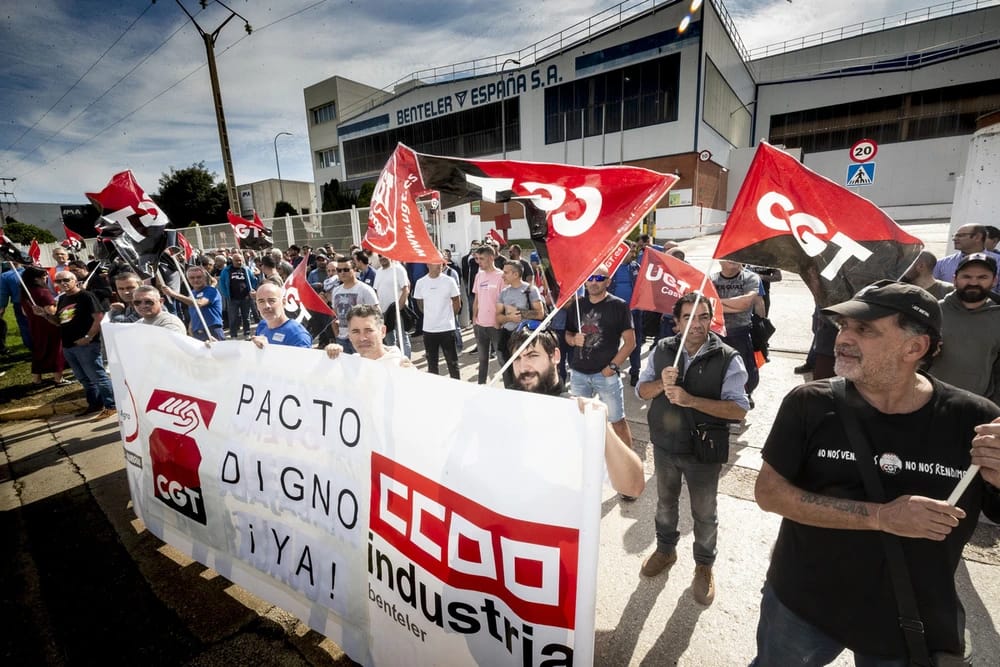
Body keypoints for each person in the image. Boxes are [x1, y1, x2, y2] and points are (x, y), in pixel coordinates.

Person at [751, 280, 1000, 665]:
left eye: (864, 329)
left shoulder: (975, 419)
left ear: (914, 347)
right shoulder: (809, 404)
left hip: (909, 616)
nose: (843, 339)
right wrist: (883, 517)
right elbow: (769, 494)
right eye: (842, 327)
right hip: (803, 603)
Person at [635, 293, 749, 605]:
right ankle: (665, 550)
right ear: (676, 323)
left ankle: (704, 565)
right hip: (665, 446)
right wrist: (661, 383)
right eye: (688, 318)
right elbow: (642, 391)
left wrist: (691, 401)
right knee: (665, 504)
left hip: (704, 451)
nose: (696, 325)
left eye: (702, 317)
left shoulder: (728, 357)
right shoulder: (662, 350)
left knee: (704, 513)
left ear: (711, 319)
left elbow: (739, 409)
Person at [507, 325, 644, 497]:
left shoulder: (578, 415)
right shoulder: (506, 408)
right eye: (516, 358)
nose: (523, 367)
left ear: (555, 356)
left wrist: (604, 430)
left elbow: (632, 486)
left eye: (532, 355)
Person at [565, 266, 637, 459]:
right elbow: (568, 334)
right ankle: (585, 461)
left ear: (608, 281)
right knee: (581, 421)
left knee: (617, 421)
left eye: (599, 277)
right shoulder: (577, 305)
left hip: (605, 375)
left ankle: (628, 464)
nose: (594, 282)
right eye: (590, 277)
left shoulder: (619, 306)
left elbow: (630, 343)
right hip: (579, 374)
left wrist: (612, 367)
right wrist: (573, 340)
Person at [36, 271, 115, 419]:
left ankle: (112, 405)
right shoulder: (63, 298)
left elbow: (98, 317)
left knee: (97, 376)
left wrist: (88, 336)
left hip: (86, 344)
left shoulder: (86, 296)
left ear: (75, 280)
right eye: (58, 281)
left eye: (66, 280)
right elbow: (59, 322)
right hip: (68, 344)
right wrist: (44, 315)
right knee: (83, 378)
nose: (62, 283)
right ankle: (95, 404)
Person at [930, 254, 1000, 404]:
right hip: (929, 400)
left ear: (994, 281)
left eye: (982, 277)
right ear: (955, 279)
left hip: (976, 405)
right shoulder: (933, 311)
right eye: (966, 276)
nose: (973, 282)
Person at [712, 260, 761, 400]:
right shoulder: (711, 279)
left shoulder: (751, 278)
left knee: (745, 368)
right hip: (717, 332)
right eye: (728, 257)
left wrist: (717, 302)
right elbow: (708, 305)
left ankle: (744, 396)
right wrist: (735, 305)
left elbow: (745, 303)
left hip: (740, 332)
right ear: (720, 260)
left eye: (736, 257)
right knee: (718, 368)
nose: (733, 260)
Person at [495, 261, 544, 388]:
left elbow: (540, 314)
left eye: (506, 272)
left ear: (516, 274)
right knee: (509, 372)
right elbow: (498, 318)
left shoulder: (531, 290)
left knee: (526, 372)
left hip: (525, 338)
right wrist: (508, 317)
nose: (502, 275)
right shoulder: (504, 293)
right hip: (507, 337)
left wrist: (519, 313)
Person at [413, 261, 462, 379]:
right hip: (429, 330)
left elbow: (457, 301)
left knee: (452, 362)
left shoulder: (449, 281)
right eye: (436, 263)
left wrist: (449, 316)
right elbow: (419, 303)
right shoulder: (421, 282)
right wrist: (430, 315)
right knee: (432, 364)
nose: (440, 265)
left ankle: (458, 388)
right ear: (428, 265)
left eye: (441, 263)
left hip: (447, 328)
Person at [323, 304, 413, 367]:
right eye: (355, 331)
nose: (362, 338)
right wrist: (332, 359)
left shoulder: (400, 365)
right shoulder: (351, 364)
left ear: (382, 331)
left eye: (369, 331)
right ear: (349, 335)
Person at [19, 266, 67, 385]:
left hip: (34, 324)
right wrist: (56, 303)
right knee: (56, 350)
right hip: (49, 324)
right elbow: (51, 311)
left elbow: (24, 312)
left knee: (38, 350)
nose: (46, 278)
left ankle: (36, 379)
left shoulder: (25, 292)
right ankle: (58, 378)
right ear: (35, 279)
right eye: (43, 276)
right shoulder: (43, 292)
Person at [329, 255, 379, 354]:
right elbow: (334, 314)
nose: (342, 273)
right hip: (342, 339)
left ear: (354, 269)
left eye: (346, 269)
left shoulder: (365, 289)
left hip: (361, 340)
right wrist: (336, 334)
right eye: (339, 270)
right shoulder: (336, 291)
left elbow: (377, 314)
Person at [471, 245, 505, 383]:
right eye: (477, 259)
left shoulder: (501, 276)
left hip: (496, 326)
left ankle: (509, 388)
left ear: (492, 258)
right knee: (482, 359)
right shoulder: (479, 275)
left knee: (502, 359)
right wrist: (474, 318)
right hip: (480, 325)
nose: (479, 262)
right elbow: (477, 299)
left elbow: (504, 302)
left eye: (482, 259)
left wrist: (499, 321)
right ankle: (481, 386)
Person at [162, 266, 225, 341]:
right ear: (188, 280)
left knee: (217, 352)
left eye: (199, 277)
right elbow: (194, 310)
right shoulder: (192, 293)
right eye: (192, 278)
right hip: (197, 331)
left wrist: (174, 294)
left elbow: (199, 303)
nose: (196, 280)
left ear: (204, 278)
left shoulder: (211, 291)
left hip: (212, 329)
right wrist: (191, 326)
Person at [933, 224, 1000, 290]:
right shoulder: (941, 264)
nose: (954, 239)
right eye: (955, 236)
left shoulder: (998, 261)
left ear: (977, 237)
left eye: (960, 235)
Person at [249, 283, 313, 349]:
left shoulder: (297, 335)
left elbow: (303, 359)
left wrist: (268, 350)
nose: (266, 306)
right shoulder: (262, 325)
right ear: (257, 305)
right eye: (261, 301)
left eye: (271, 301)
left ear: (284, 302)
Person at [373, 254, 412, 358]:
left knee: (402, 337)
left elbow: (406, 289)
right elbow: (376, 290)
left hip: (398, 310)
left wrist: (399, 307)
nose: (382, 258)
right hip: (384, 311)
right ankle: (394, 362)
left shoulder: (398, 269)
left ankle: (406, 364)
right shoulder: (379, 272)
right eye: (380, 256)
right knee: (389, 339)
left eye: (384, 255)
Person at [218, 252, 257, 339]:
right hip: (232, 298)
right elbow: (222, 284)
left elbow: (253, 280)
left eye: (240, 260)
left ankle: (247, 333)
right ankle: (233, 335)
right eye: (237, 261)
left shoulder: (246, 270)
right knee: (233, 318)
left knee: (246, 317)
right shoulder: (226, 270)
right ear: (232, 261)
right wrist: (226, 294)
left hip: (245, 298)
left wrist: (251, 291)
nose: (239, 262)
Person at [0, 259, 32, 350]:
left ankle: (32, 346)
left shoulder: (5, 276)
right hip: (35, 301)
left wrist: (2, 306)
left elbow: (3, 293)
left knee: (25, 326)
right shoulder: (32, 271)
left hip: (20, 303)